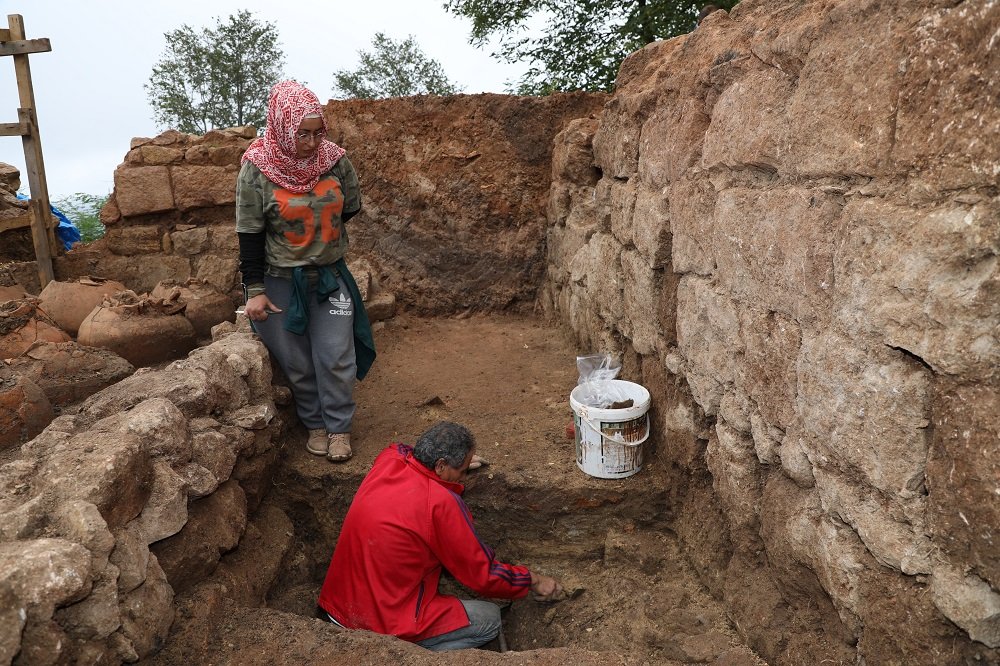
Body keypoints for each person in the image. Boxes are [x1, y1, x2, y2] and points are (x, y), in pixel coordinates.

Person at [317, 421, 563, 651]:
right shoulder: (439, 503)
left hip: (338, 604)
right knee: (490, 618)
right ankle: (399, 654)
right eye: (463, 470)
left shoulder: (389, 459)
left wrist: (455, 465)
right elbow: (482, 576)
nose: (464, 477)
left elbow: (401, 448)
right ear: (441, 465)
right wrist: (532, 579)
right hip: (381, 623)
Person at [236, 80, 375, 463]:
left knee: (335, 355)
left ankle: (339, 428)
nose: (312, 143)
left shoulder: (334, 161)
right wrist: (255, 289)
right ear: (281, 127)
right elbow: (249, 232)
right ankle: (315, 424)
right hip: (280, 282)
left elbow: (351, 207)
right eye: (302, 134)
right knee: (296, 361)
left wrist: (318, 236)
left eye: (317, 133)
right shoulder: (256, 168)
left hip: (329, 278)